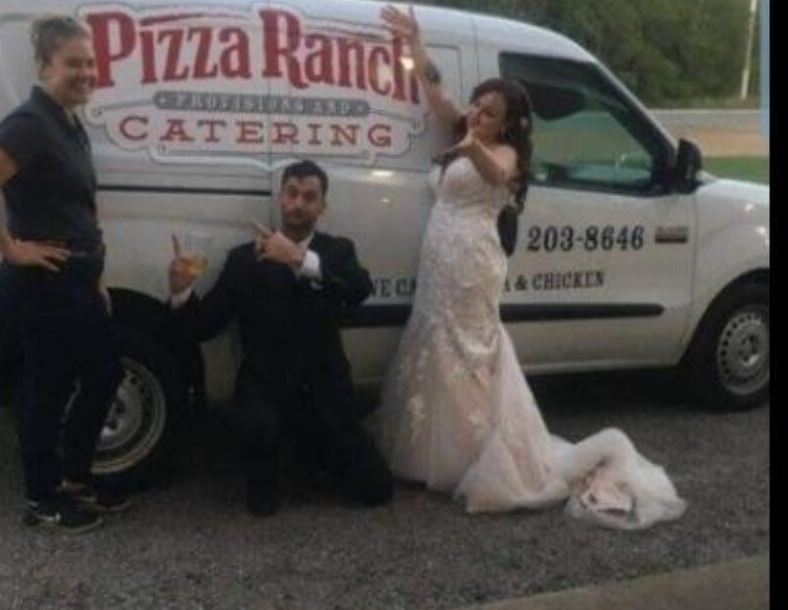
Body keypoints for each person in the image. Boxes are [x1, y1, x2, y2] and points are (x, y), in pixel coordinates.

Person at [376, 5, 686, 529]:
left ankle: (473, 455)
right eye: (478, 105)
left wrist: (472, 145)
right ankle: (431, 449)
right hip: (440, 262)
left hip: (472, 265)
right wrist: (415, 44)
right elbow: (435, 90)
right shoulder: (465, 129)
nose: (477, 114)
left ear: (508, 123)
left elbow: (495, 175)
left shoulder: (505, 155)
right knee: (433, 340)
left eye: (489, 112)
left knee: (467, 351)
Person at [0, 15, 129, 534]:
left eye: (91, 63)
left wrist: (95, 274)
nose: (86, 73)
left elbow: (78, 206)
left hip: (76, 280)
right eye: (74, 63)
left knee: (103, 374)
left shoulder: (69, 123)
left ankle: (74, 480)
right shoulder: (31, 122)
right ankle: (42, 499)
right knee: (47, 389)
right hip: (44, 284)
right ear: (45, 65)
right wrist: (10, 248)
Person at [168, 160, 394, 517]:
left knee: (376, 490)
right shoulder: (244, 259)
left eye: (309, 196)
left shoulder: (337, 251)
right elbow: (203, 326)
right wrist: (181, 292)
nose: (298, 203)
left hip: (325, 389)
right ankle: (284, 455)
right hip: (265, 390)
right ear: (280, 198)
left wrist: (301, 260)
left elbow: (358, 290)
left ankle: (314, 453)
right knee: (261, 505)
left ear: (322, 207)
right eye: (292, 193)